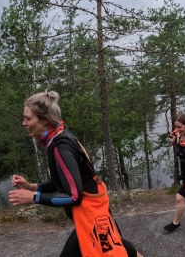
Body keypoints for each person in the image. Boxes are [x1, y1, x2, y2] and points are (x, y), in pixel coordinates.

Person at [8, 91, 141, 257]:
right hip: (91, 213)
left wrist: (34, 197)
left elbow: (73, 196)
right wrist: (32, 187)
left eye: (28, 119)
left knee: (116, 251)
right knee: (119, 246)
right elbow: (64, 182)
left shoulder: (60, 148)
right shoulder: (59, 138)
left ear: (45, 120)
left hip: (91, 217)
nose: (24, 123)